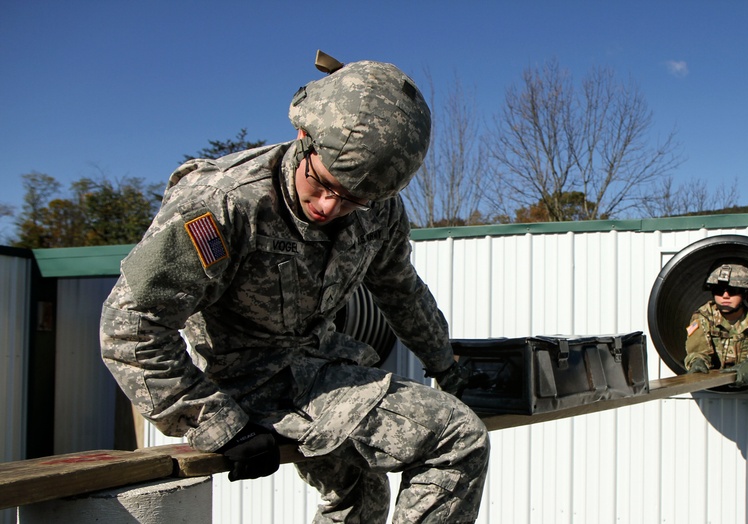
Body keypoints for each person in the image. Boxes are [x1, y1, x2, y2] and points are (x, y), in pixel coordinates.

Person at [100, 51, 489, 523]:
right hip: (243, 385)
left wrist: (445, 365)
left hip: (318, 370)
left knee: (362, 493)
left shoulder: (377, 211)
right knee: (457, 438)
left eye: (352, 200)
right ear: (304, 138)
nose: (328, 207)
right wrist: (219, 424)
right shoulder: (224, 203)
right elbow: (130, 326)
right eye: (322, 183)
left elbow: (400, 290)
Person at [683, 258, 748, 387]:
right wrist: (697, 362)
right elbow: (697, 351)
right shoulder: (703, 316)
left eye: (733, 290)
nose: (725, 295)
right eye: (719, 290)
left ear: (746, 293)